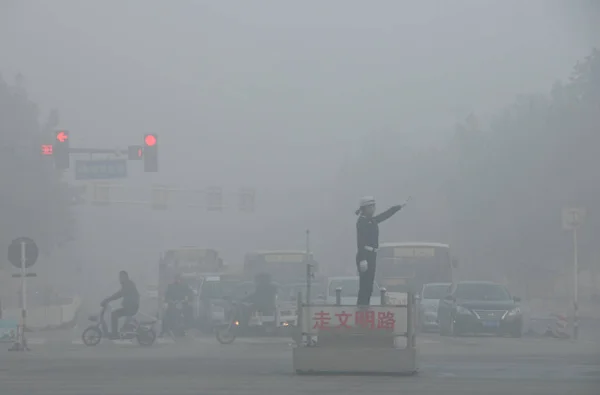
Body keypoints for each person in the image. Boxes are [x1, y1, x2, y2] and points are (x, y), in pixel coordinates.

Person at [355, 196, 406, 306]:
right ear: (365, 208)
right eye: (371, 206)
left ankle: (365, 308)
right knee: (364, 287)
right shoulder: (361, 222)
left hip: (372, 254)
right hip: (365, 255)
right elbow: (361, 241)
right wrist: (363, 259)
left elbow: (385, 215)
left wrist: (398, 207)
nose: (373, 209)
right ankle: (361, 309)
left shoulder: (371, 220)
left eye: (374, 206)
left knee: (369, 287)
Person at [102, 271, 140, 339]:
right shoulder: (127, 284)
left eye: (121, 277)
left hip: (131, 307)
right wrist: (109, 298)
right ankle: (116, 333)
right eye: (119, 277)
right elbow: (120, 293)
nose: (119, 279)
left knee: (114, 314)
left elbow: (119, 294)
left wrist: (108, 299)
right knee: (115, 314)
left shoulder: (128, 284)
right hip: (130, 307)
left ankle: (114, 334)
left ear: (125, 277)